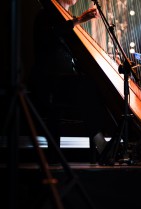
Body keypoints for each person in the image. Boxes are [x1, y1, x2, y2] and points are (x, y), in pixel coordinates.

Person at [30, 0, 108, 164]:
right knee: (86, 87)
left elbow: (74, 55)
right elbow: (49, 38)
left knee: (92, 86)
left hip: (66, 80)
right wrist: (77, 21)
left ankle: (99, 141)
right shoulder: (46, 15)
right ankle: (99, 141)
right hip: (49, 79)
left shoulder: (69, 19)